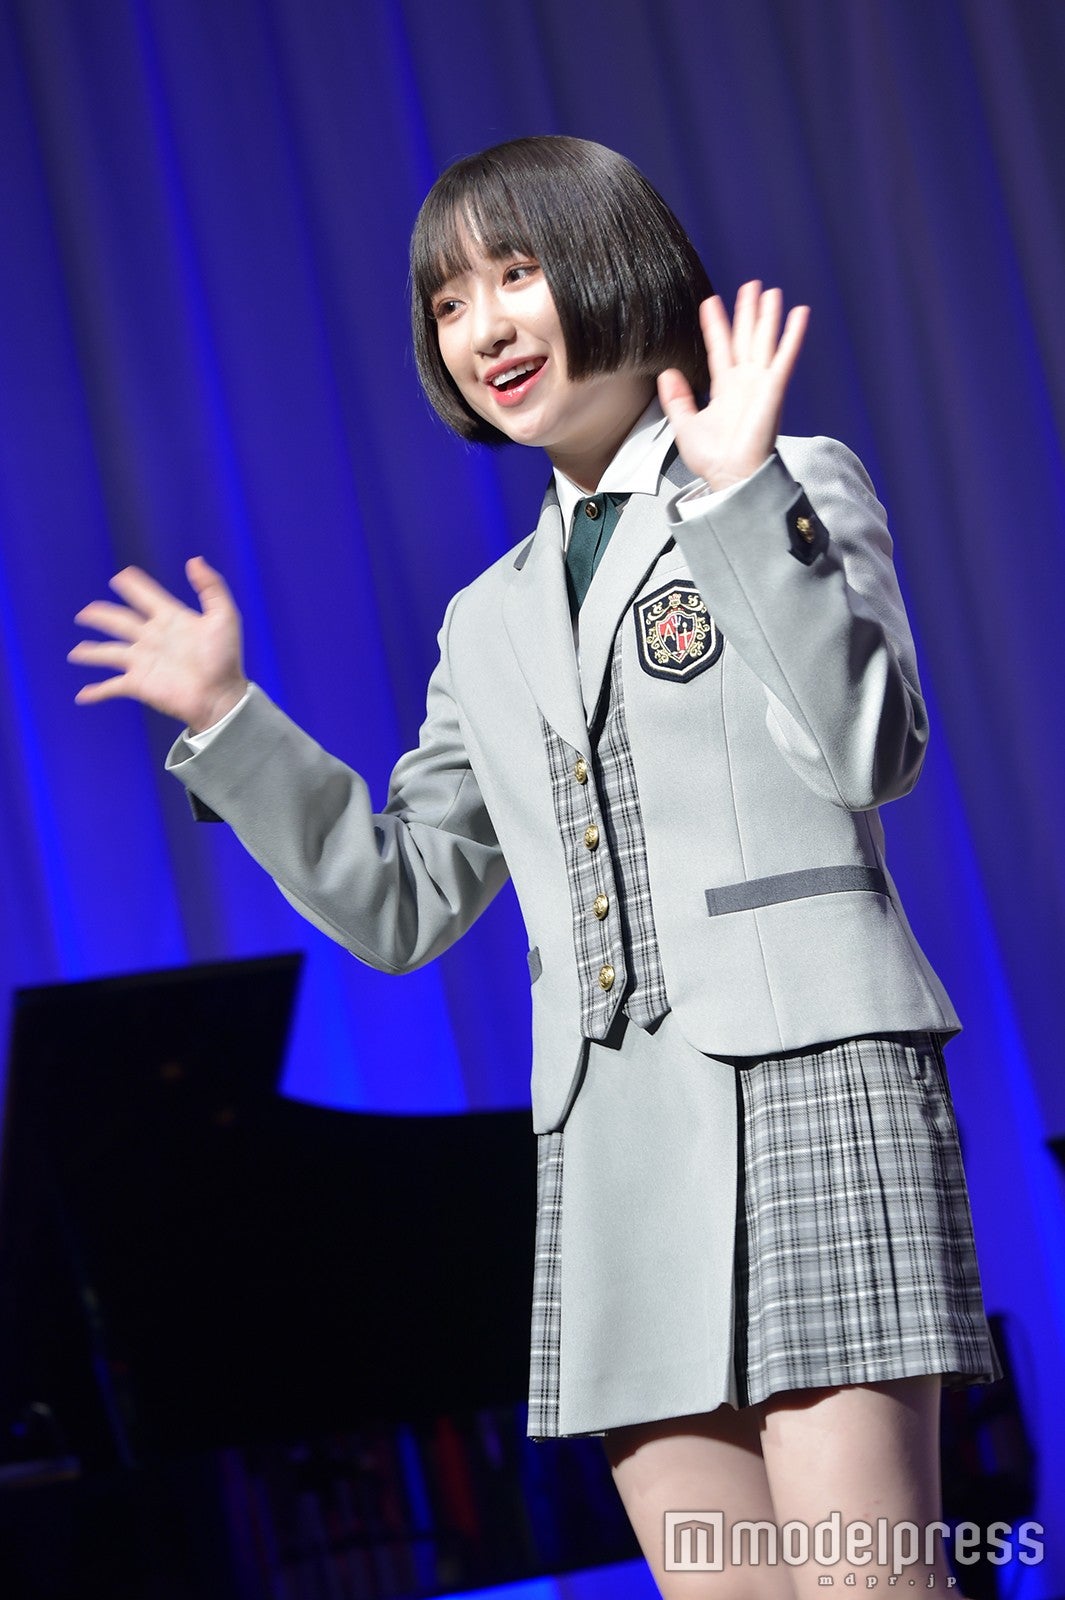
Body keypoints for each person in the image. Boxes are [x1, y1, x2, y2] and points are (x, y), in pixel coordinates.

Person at [70, 136, 1000, 1597]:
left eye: (515, 274)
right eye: (449, 301)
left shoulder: (787, 482)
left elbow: (869, 751)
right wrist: (232, 725)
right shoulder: (485, 619)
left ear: (615, 268)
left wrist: (741, 498)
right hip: (611, 1134)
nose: (483, 327)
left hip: (814, 1081)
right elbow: (402, 903)